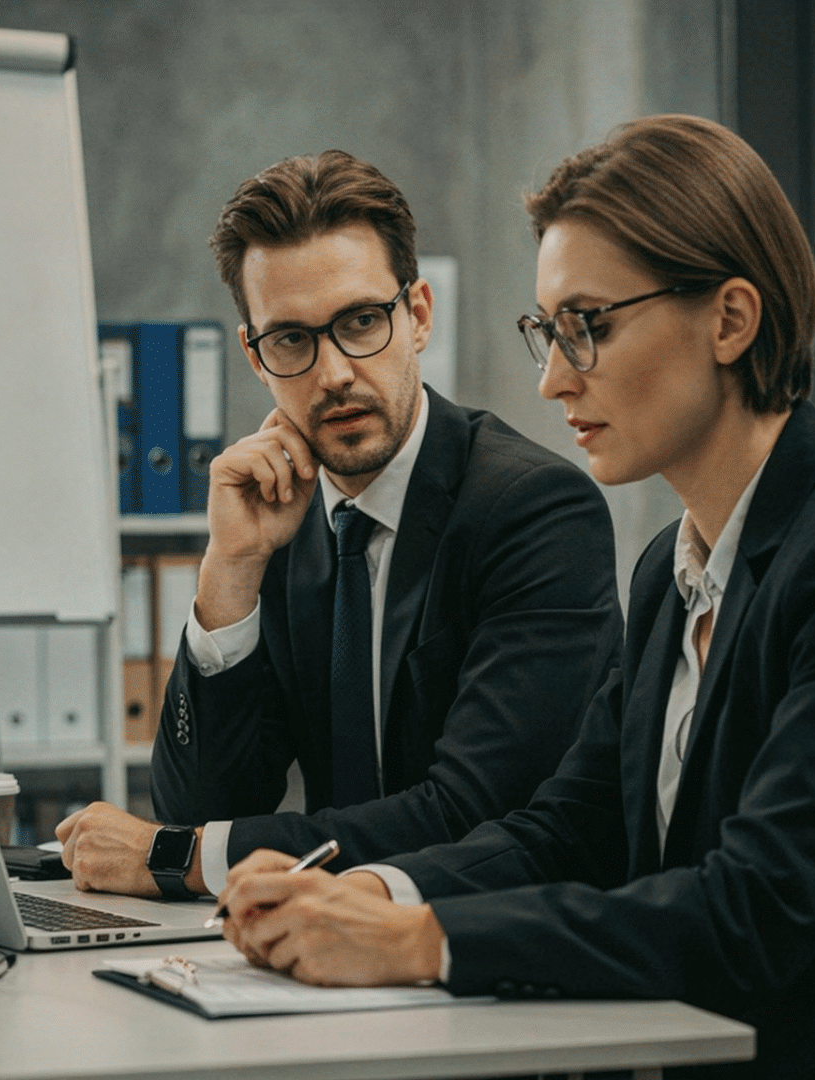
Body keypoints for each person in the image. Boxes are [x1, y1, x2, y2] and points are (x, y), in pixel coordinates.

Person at [217, 115, 815, 1080]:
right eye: (547, 331)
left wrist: (422, 942)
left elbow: (761, 908)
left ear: (729, 319)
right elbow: (569, 828)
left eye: (587, 326)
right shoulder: (672, 574)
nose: (552, 378)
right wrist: (371, 895)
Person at [56, 151, 621, 901]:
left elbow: (475, 815)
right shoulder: (286, 521)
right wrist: (230, 571)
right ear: (255, 357)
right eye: (291, 339)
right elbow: (201, 811)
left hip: (490, 956)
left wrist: (180, 858)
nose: (332, 374)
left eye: (361, 322)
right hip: (332, 959)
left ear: (417, 315)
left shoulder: (534, 510)